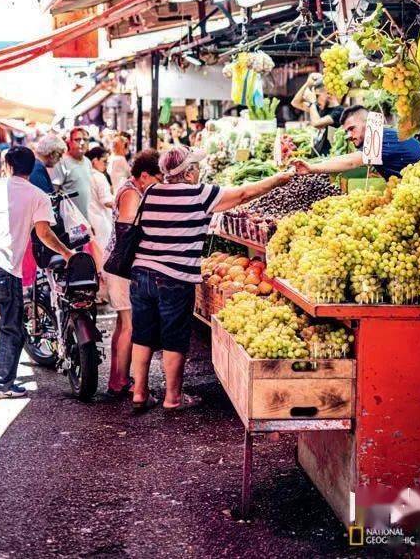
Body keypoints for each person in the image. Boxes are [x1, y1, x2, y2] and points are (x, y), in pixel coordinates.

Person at [127, 145, 292, 413]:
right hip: (174, 278)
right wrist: (279, 179)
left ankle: (139, 393)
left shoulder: (151, 192)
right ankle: (172, 398)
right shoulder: (199, 194)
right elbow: (243, 194)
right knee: (173, 338)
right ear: (188, 173)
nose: (199, 171)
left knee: (143, 335)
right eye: (196, 167)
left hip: (141, 274)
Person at [0, 147, 74, 399]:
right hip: (4, 265)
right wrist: (67, 253)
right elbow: (44, 233)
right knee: (11, 327)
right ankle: (2, 385)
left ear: (8, 166)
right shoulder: (38, 195)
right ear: (31, 168)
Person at [104, 149, 161, 398]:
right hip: (122, 267)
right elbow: (127, 233)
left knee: (123, 324)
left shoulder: (132, 189)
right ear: (145, 175)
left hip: (118, 266)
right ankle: (120, 382)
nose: (161, 183)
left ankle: (117, 380)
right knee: (129, 326)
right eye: (159, 178)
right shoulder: (131, 194)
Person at [293, 105, 420, 181]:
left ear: (367, 123)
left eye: (352, 129)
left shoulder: (378, 137)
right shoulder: (385, 134)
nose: (349, 136)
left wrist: (312, 168)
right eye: (347, 131)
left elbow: (351, 162)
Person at [291, 73, 345, 156]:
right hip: (319, 157)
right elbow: (295, 102)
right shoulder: (321, 108)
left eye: (317, 96)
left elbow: (317, 123)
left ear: (329, 93)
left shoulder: (339, 111)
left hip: (330, 158)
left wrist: (312, 102)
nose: (316, 99)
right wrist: (308, 84)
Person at [52, 127, 92, 218]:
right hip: (69, 219)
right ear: (69, 142)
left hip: (86, 217)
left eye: (85, 140)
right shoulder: (61, 162)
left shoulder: (87, 162)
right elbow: (54, 191)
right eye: (77, 140)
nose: (82, 143)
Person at [86, 147, 113, 251]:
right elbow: (106, 202)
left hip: (88, 220)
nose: (106, 165)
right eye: (104, 161)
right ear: (94, 160)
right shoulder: (99, 177)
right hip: (101, 222)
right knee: (103, 253)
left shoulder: (85, 175)